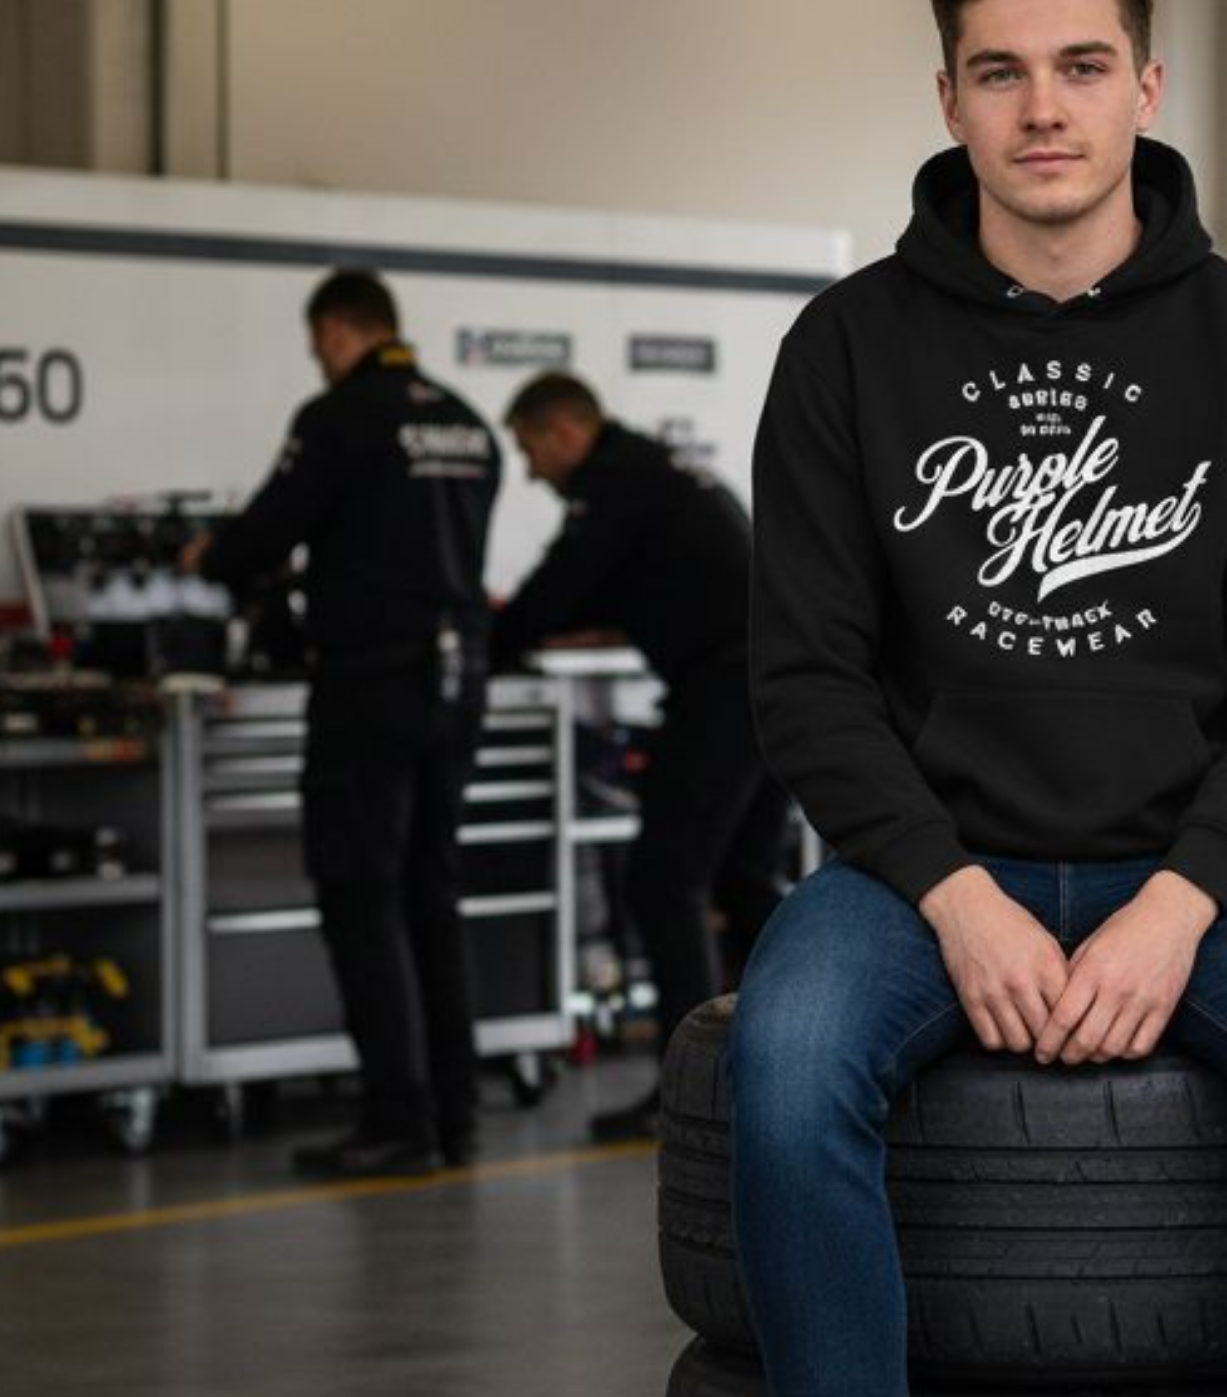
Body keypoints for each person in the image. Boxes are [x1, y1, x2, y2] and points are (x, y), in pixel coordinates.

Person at [728, 0, 1227, 1397]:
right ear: (949, 99)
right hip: (915, 873)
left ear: (1145, 87)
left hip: (1208, 876)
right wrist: (954, 898)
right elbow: (806, 679)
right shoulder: (844, 350)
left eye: (1081, 66)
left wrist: (1179, 902)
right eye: (1000, 71)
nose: (1042, 109)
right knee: (782, 1067)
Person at [184, 268, 500, 1180]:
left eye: (317, 345)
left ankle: (396, 1118)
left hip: (371, 685)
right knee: (431, 894)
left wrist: (211, 556)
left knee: (360, 893)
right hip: (458, 682)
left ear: (335, 332)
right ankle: (454, 1115)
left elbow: (263, 536)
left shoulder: (338, 418)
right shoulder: (466, 422)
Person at [490, 371, 789, 1138]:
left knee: (665, 878)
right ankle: (802, 1065)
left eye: (529, 450)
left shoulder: (615, 484)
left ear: (564, 432)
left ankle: (688, 1094)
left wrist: (489, 641)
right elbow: (620, 584)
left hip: (724, 689)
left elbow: (559, 589)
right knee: (744, 881)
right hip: (773, 683)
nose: (531, 471)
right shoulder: (655, 472)